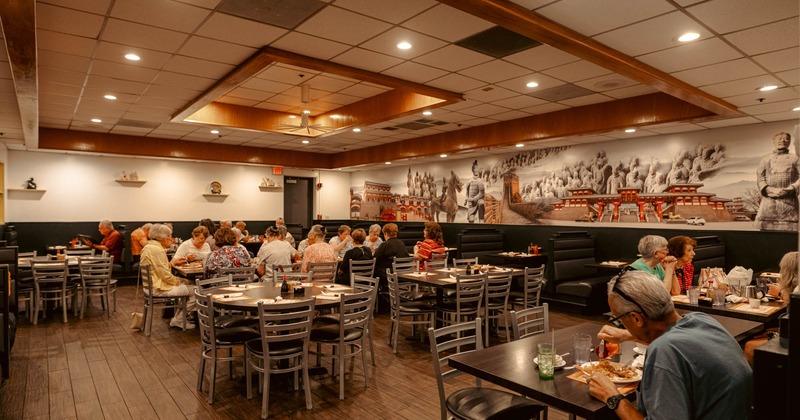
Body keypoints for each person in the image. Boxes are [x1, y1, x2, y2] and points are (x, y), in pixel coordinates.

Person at [586, 269, 752, 419]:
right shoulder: (702, 319)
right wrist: (627, 335)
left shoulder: (663, 351)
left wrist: (612, 396)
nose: (620, 324)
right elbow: (675, 338)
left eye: (619, 319)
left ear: (636, 318)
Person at [140, 224, 197, 329]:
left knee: (190, 283)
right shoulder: (157, 250)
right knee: (197, 291)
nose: (171, 239)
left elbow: (159, 269)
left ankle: (181, 316)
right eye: (170, 236)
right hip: (158, 288)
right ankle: (179, 320)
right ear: (164, 237)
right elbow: (165, 275)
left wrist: (173, 263)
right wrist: (178, 282)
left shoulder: (149, 247)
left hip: (151, 285)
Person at [744, 251, 798, 363]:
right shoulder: (796, 290)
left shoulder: (797, 293)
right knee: (758, 334)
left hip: (792, 342)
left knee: (749, 346)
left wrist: (781, 293)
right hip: (789, 334)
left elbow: (792, 321)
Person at [754, 132, 800, 231]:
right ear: (774, 141)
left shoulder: (795, 158)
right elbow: (760, 177)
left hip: (789, 200)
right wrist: (769, 189)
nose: (783, 141)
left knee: (789, 233)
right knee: (767, 233)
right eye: (780, 138)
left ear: (790, 142)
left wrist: (791, 189)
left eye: (786, 139)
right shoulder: (766, 159)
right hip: (769, 199)